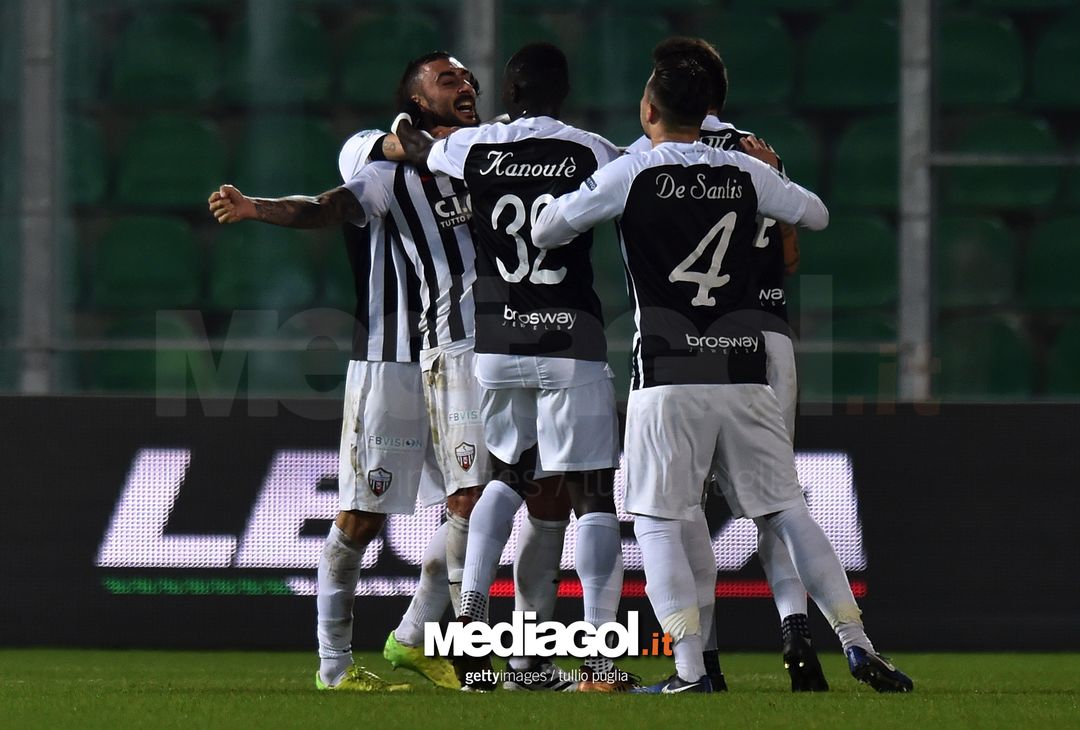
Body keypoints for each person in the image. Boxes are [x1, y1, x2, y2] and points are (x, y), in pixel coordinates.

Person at [532, 38, 914, 694]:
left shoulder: (633, 170)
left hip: (668, 373)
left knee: (656, 520)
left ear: (649, 108)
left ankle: (688, 670)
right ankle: (855, 641)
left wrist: (562, 206)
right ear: (709, 106)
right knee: (786, 510)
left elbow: (548, 231)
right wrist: (774, 179)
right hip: (744, 372)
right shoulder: (746, 171)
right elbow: (814, 214)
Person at [209, 52, 563, 691]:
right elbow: (324, 204)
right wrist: (256, 208)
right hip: (386, 359)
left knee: (474, 499)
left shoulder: (486, 154)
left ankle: (434, 643)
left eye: (468, 79)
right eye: (447, 80)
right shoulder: (375, 164)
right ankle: (335, 666)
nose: (465, 87)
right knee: (362, 516)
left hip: (467, 351)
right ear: (415, 99)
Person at [394, 43, 632, 692]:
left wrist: (402, 132)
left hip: (496, 342)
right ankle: (599, 658)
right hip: (569, 339)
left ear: (510, 89)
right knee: (591, 494)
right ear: (563, 91)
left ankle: (471, 623)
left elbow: (416, 149)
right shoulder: (592, 150)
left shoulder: (475, 148)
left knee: (505, 474)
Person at [625, 37, 826, 692]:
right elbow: (791, 254)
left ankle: (700, 663)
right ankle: (796, 626)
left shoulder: (648, 156)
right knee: (773, 498)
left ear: (660, 97)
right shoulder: (757, 154)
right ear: (719, 92)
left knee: (676, 509)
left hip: (681, 350)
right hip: (766, 337)